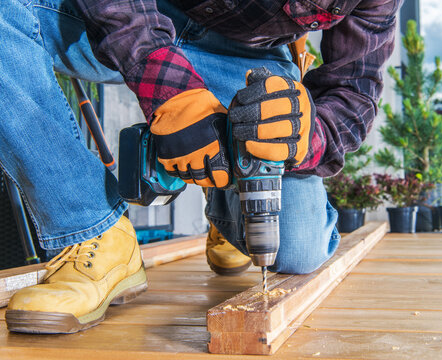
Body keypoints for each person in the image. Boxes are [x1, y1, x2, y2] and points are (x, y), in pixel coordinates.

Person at [0, 0, 401, 333]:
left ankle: (228, 202)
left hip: (250, 55)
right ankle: (90, 230)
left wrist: (307, 136)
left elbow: (355, 87)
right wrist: (169, 89)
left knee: (298, 249)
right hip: (132, 13)